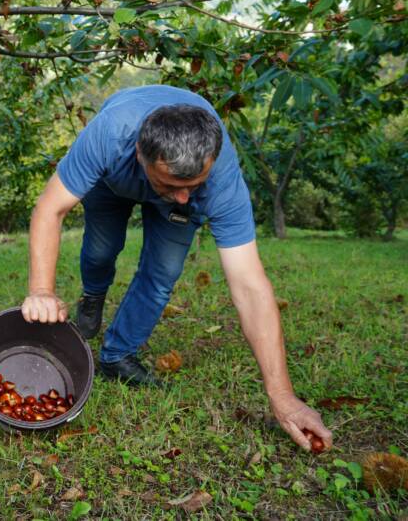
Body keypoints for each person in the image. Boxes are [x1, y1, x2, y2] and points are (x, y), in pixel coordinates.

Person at [20, 85, 332, 452]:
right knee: (102, 251)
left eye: (193, 185)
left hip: (174, 183)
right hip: (111, 183)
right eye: (171, 184)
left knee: (162, 274)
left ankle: (117, 355)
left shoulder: (220, 180)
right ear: (139, 153)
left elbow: (250, 285)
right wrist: (41, 290)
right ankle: (94, 295)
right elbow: (49, 209)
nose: (184, 196)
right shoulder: (110, 134)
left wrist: (283, 396)